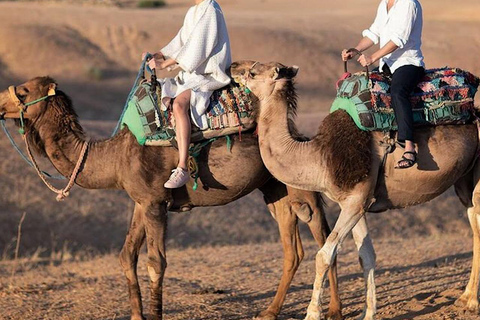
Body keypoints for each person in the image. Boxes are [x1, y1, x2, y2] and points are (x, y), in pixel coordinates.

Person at [145, 0, 231, 188]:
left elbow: (196, 49)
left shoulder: (210, 9)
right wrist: (160, 54)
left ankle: (182, 167)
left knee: (178, 105)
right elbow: (182, 40)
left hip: (207, 75)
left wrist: (164, 64)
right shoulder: (194, 11)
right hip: (191, 74)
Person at [342, 0, 425, 169]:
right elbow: (374, 33)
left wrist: (372, 58)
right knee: (361, 88)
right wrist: (356, 50)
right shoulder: (384, 4)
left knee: (398, 92)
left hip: (407, 63)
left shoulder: (408, 3)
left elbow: (398, 39)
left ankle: (409, 146)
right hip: (386, 65)